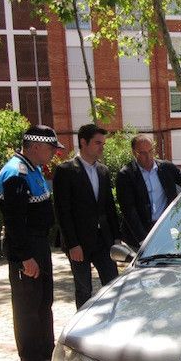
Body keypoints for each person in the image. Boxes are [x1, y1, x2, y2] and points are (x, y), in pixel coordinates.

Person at [0, 125, 64, 361]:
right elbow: (15, 222)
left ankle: (46, 350)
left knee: (43, 301)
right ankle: (32, 359)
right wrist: (26, 258)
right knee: (28, 305)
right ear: (35, 147)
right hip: (26, 248)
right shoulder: (16, 174)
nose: (54, 154)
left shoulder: (32, 168)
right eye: (51, 149)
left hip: (38, 244)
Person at [53, 123, 121, 309]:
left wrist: (116, 238)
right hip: (79, 243)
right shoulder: (65, 171)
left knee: (113, 285)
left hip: (103, 241)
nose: (102, 147)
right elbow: (62, 211)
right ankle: (83, 328)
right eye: (98, 143)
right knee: (84, 289)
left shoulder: (103, 171)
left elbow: (109, 207)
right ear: (83, 142)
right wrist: (72, 243)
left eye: (103, 144)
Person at [115, 134, 181, 249]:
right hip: (138, 235)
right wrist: (143, 240)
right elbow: (129, 211)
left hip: (163, 229)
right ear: (134, 153)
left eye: (151, 151)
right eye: (143, 153)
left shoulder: (165, 168)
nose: (148, 156)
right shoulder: (126, 175)